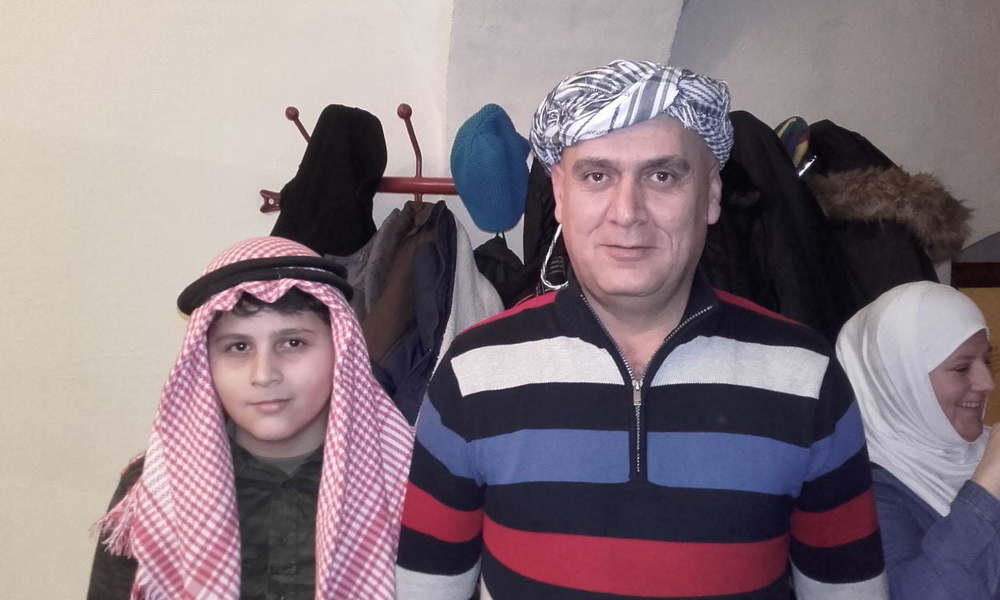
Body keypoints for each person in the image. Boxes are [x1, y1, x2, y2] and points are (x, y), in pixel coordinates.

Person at [395, 59, 887, 599]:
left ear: (712, 195)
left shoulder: (806, 375)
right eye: (597, 176)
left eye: (662, 176)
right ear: (560, 195)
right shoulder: (473, 373)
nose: (627, 212)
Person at [86, 237, 413, 599]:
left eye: (293, 342)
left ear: (342, 349)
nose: (264, 374)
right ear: (204, 362)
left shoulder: (408, 480)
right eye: (238, 347)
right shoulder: (155, 485)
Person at [836, 281, 1000, 599]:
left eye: (987, 362)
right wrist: (987, 488)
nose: (987, 383)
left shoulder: (983, 448)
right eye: (962, 368)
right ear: (898, 380)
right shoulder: (861, 493)